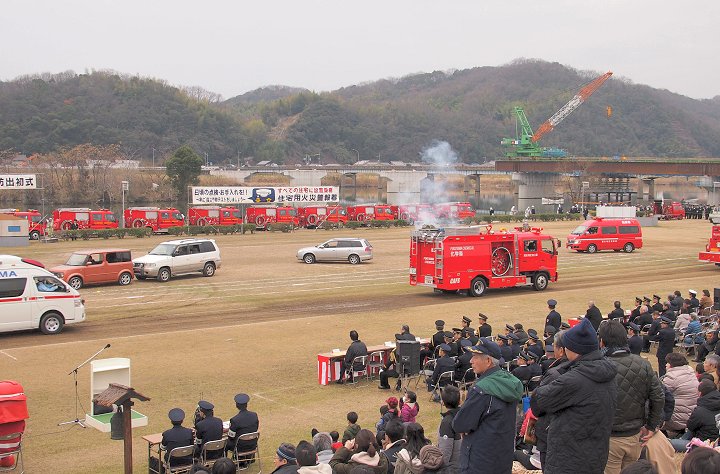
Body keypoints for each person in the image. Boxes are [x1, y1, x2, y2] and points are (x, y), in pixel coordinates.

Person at [530, 318, 617, 474]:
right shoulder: (607, 372)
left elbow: (538, 402)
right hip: (596, 452)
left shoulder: (574, 379)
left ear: (574, 350)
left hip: (568, 458)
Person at [598, 320, 664, 474]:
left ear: (602, 342)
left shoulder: (600, 366)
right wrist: (651, 425)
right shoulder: (643, 364)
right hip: (633, 435)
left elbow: (658, 396)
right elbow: (658, 397)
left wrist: (650, 426)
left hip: (612, 436)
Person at [452, 338, 523, 474]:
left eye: (475, 356)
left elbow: (460, 424)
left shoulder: (482, 390)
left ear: (488, 361)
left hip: (480, 460)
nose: (471, 361)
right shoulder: (509, 382)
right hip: (502, 456)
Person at [669, 379, 720, 452]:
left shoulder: (700, 410)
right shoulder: (702, 409)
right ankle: (682, 439)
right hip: (715, 440)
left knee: (671, 443)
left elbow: (690, 426)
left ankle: (681, 439)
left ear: (700, 393)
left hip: (705, 445)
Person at [662, 353, 699, 435]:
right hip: (692, 415)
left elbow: (659, 394)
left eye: (667, 363)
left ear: (671, 364)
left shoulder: (672, 377)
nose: (665, 365)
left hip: (678, 419)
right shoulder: (690, 372)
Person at [225, 393, 259, 460]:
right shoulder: (254, 415)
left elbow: (231, 437)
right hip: (252, 444)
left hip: (240, 447)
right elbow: (255, 428)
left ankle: (224, 463)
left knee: (225, 443)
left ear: (236, 405)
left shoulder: (234, 420)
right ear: (246, 404)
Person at [437, 386, 461, 472]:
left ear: (443, 402)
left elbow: (445, 451)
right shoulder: (465, 415)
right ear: (459, 401)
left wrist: (441, 470)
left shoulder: (447, 422)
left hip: (453, 468)